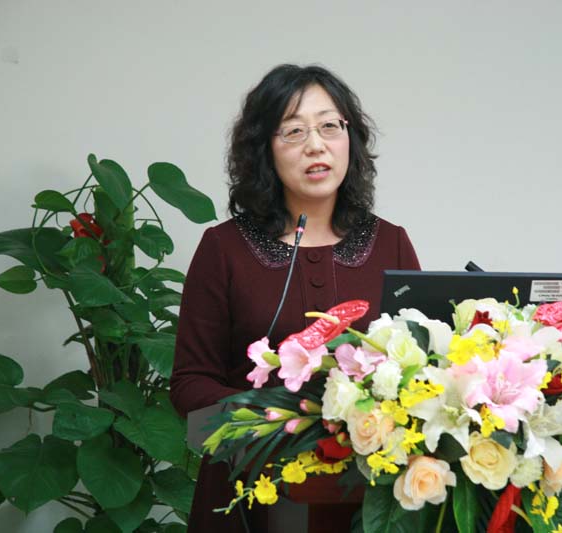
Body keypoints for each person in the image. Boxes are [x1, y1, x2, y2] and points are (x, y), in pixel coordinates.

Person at [170, 64, 421, 532]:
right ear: (264, 149)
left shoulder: (392, 244)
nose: (316, 145)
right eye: (293, 131)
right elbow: (189, 385)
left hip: (367, 493)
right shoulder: (223, 249)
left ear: (350, 139)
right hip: (249, 490)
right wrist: (286, 418)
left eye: (330, 126)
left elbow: (419, 369)